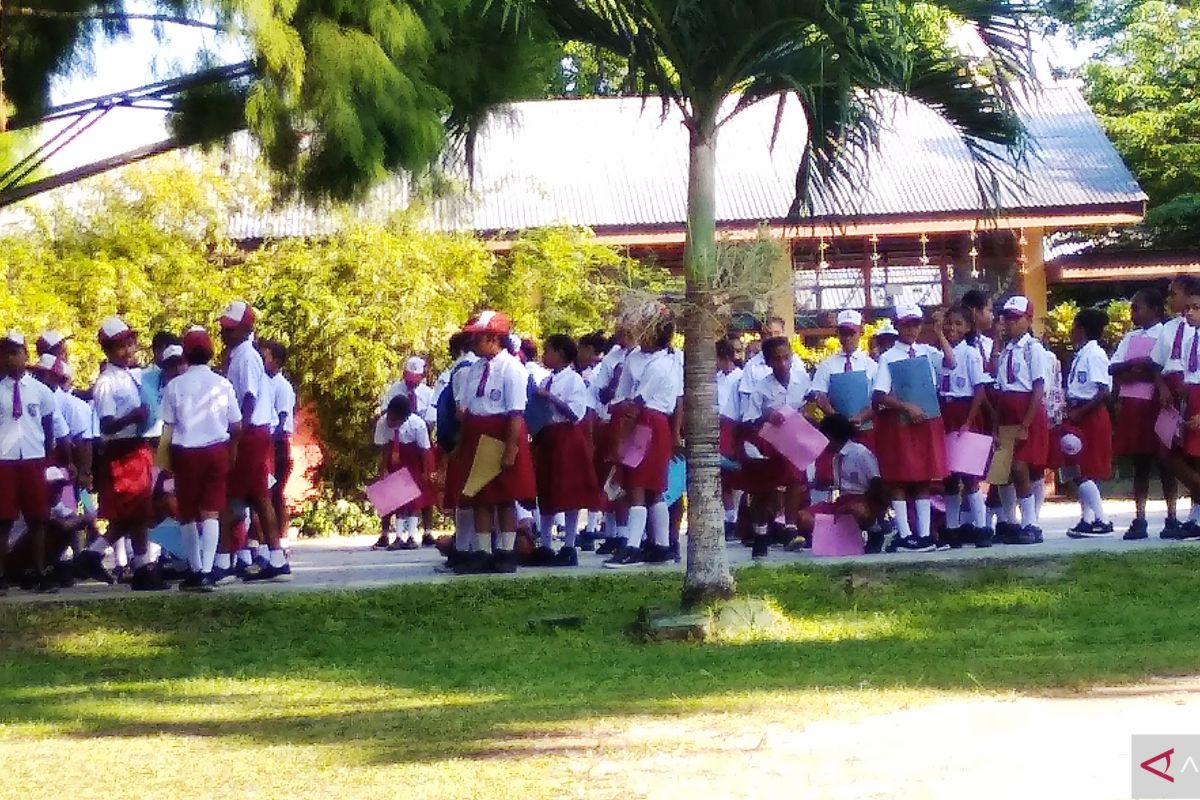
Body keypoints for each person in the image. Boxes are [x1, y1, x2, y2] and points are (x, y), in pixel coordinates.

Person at [445, 310, 537, 574]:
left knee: (504, 498)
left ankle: (506, 552)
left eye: (478, 338)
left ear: (494, 338)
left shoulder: (513, 369)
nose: (473, 343)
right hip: (476, 433)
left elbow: (516, 413)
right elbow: (466, 408)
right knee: (479, 497)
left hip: (501, 432)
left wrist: (511, 449)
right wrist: (460, 443)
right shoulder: (474, 369)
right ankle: (483, 552)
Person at [82, 317, 169, 590]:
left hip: (138, 446)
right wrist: (133, 416)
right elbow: (107, 424)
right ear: (108, 350)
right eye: (121, 346)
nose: (129, 350)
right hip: (123, 449)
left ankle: (93, 553)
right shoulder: (107, 382)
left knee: (132, 513)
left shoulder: (130, 376)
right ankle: (143, 568)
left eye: (130, 344)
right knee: (138, 511)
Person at [160, 326, 242, 591]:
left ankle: (195, 569)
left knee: (187, 513)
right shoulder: (222, 383)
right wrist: (232, 451)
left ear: (185, 353)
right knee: (211, 511)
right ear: (210, 352)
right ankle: (208, 570)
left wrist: (163, 462)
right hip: (216, 449)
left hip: (185, 452)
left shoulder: (175, 385)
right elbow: (237, 424)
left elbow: (167, 426)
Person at [872, 303, 953, 552]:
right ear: (897, 326)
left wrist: (939, 333)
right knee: (900, 478)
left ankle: (925, 533)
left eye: (916, 324)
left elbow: (951, 362)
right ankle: (905, 535)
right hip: (901, 424)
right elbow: (879, 395)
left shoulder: (927, 352)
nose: (912, 329)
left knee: (923, 478)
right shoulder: (888, 357)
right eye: (907, 324)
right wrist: (906, 406)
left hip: (926, 421)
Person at [216, 300, 285, 582]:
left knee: (229, 495)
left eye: (231, 329)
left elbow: (248, 396)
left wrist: (237, 432)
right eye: (224, 328)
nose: (225, 334)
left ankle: (222, 560)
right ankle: (276, 558)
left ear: (246, 329)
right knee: (259, 497)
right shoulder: (239, 355)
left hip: (249, 433)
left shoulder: (245, 357)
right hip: (257, 433)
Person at [604, 312, 680, 568]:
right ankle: (659, 546)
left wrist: (619, 443)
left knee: (643, 485)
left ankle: (634, 547)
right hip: (629, 418)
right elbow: (621, 394)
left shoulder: (666, 363)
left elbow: (641, 402)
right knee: (642, 486)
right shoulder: (633, 357)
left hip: (648, 422)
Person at [1111, 288, 1178, 539]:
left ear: (1155, 310)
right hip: (1134, 404)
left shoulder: (1166, 334)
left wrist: (1144, 369)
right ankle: (1139, 518)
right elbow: (1114, 366)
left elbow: (1161, 366)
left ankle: (1171, 516)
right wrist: (1136, 366)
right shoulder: (1130, 337)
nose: (1132, 313)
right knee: (1140, 462)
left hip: (1157, 404)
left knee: (1165, 462)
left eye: (1137, 308)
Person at [740, 335, 813, 559]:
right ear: (768, 362)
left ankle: (790, 527)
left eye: (785, 358)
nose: (782, 363)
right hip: (769, 442)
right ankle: (761, 533)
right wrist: (767, 415)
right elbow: (748, 418)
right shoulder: (761, 388)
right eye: (776, 359)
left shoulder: (802, 380)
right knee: (765, 489)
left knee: (795, 479)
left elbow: (808, 404)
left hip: (794, 439)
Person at [529, 334, 598, 567]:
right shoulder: (546, 379)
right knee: (546, 491)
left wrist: (551, 398)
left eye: (548, 350)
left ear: (560, 353)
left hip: (566, 436)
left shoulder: (574, 380)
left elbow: (576, 413)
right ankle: (546, 544)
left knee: (569, 492)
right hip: (546, 437)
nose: (544, 355)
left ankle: (569, 545)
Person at [0, 332, 59, 593]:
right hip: (4, 461)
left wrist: (47, 457)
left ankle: (39, 572)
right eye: (5, 355)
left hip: (33, 459)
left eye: (16, 353)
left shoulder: (40, 390)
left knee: (38, 519)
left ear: (26, 354)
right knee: (3, 520)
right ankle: (1, 575)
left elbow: (48, 425)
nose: (11, 359)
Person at [993, 296, 1051, 544]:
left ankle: (1031, 522)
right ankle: (1010, 521)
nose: (1010, 323)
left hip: (1026, 410)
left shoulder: (1033, 348)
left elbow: (1038, 387)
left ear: (1028, 320)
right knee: (1003, 470)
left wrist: (1026, 424)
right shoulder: (1006, 350)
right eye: (1008, 318)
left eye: (1017, 319)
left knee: (1022, 466)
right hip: (1007, 412)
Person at [1056, 308, 1115, 538]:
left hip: (1090, 415)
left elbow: (1103, 391)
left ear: (1081, 329)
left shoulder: (1095, 354)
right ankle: (1087, 518)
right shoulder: (1082, 353)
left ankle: (1103, 519)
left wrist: (1081, 413)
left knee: (1086, 470)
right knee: (1077, 468)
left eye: (1074, 327)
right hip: (1077, 412)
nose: (1071, 332)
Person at [794, 414, 887, 553]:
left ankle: (875, 530)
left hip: (864, 499)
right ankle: (831, 537)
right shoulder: (835, 457)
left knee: (857, 510)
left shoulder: (860, 453)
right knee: (802, 516)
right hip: (842, 500)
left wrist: (871, 506)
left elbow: (877, 483)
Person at [938, 305, 992, 547]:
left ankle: (982, 527)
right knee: (949, 477)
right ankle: (952, 528)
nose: (952, 328)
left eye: (959, 324)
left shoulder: (970, 353)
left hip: (965, 410)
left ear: (969, 327)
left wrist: (969, 421)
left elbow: (979, 390)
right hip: (947, 411)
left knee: (969, 476)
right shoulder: (942, 355)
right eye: (949, 323)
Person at [1155, 276, 1200, 537]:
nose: (1190, 313)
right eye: (1189, 308)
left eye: (1196, 308)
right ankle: (1195, 517)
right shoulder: (1189, 336)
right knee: (1181, 457)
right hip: (1188, 396)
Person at [372, 393, 434, 551]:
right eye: (390, 417)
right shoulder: (382, 423)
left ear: (405, 418)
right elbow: (383, 448)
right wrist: (383, 470)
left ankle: (412, 536)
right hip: (394, 461)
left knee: (413, 501)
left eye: (395, 419)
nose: (391, 422)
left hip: (414, 460)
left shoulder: (417, 425)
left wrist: (425, 473)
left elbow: (425, 450)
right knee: (395, 499)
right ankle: (397, 536)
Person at [261, 340, 296, 545]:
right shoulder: (265, 382)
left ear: (277, 361)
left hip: (277, 444)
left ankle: (281, 538)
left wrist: (270, 439)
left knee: (275, 493)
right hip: (269, 442)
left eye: (266, 358)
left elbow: (282, 419)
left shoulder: (282, 387)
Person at [715, 338, 744, 542]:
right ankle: (728, 518)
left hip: (734, 427)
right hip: (717, 427)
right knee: (723, 477)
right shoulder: (715, 378)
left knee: (737, 477)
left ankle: (740, 518)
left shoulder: (740, 378)